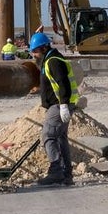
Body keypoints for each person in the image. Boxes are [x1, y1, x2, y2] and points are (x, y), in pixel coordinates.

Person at [28, 31, 78, 186]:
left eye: (35, 51)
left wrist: (63, 105)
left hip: (59, 105)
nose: (33, 54)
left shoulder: (53, 61)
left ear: (43, 48)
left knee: (49, 135)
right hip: (60, 104)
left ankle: (56, 171)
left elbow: (63, 83)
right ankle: (66, 175)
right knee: (61, 138)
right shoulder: (48, 59)